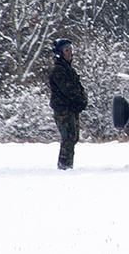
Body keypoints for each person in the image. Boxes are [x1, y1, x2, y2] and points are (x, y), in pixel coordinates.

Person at [49, 38, 87, 169]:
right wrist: (79, 99)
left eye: (71, 50)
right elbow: (69, 90)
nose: (69, 53)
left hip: (71, 110)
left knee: (73, 137)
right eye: (66, 50)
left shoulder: (69, 70)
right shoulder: (58, 71)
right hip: (63, 111)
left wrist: (82, 100)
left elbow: (78, 88)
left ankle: (68, 165)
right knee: (68, 138)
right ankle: (64, 166)